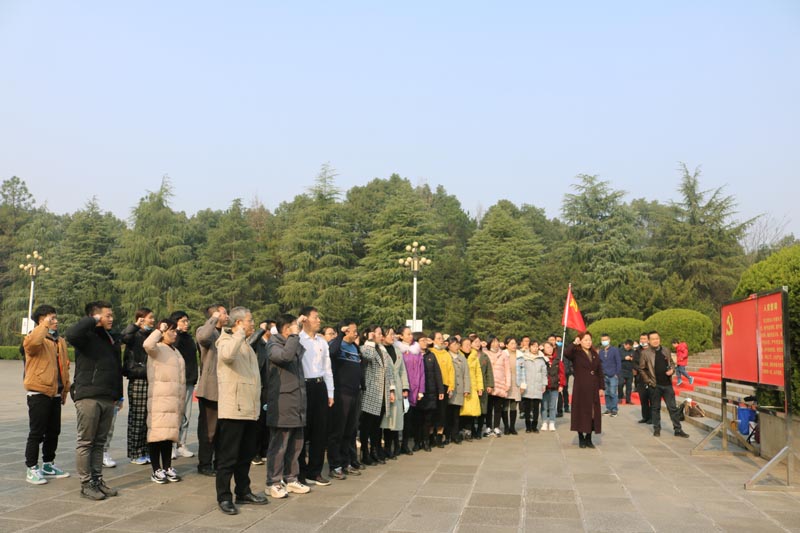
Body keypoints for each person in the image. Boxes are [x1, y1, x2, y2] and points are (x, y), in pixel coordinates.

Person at [65, 300, 123, 500]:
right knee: (86, 442)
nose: (111, 319)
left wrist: (118, 395)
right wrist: (93, 320)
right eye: (107, 315)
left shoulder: (109, 338)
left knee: (100, 443)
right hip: (88, 396)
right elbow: (71, 334)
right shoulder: (85, 336)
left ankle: (97, 480)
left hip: (108, 397)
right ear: (95, 316)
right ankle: (86, 483)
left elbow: (117, 367)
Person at [215, 306, 268, 515]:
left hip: (250, 409)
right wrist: (238, 334)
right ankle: (224, 497)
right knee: (228, 457)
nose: (252, 323)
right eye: (249, 320)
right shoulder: (226, 341)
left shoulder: (244, 344)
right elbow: (227, 356)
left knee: (245, 455)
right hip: (233, 410)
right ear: (238, 323)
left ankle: (243, 491)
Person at [22, 304, 71, 485]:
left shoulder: (59, 341)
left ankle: (48, 464)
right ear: (42, 320)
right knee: (37, 433)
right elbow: (32, 344)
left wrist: (65, 388)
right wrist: (42, 326)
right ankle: (32, 468)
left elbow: (64, 367)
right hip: (38, 391)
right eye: (52, 318)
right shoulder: (34, 338)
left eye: (55, 318)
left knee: (54, 432)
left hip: (55, 393)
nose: (56, 321)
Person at [265, 314, 311, 499]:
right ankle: (273, 482)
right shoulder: (273, 345)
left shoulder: (291, 341)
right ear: (285, 329)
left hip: (297, 401)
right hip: (282, 402)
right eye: (293, 327)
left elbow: (298, 352)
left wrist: (296, 331)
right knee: (280, 444)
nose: (297, 331)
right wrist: (293, 335)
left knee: (296, 443)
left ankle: (291, 478)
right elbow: (285, 357)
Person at [143, 319, 186, 484]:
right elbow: (147, 344)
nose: (174, 334)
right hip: (160, 399)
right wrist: (159, 331)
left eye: (175, 331)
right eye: (171, 331)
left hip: (173, 400)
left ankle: (167, 467)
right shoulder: (157, 348)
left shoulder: (174, 350)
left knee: (168, 436)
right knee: (157, 436)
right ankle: (156, 469)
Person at [297, 306, 334, 486]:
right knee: (303, 431)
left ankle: (315, 471)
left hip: (320, 387)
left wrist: (330, 392)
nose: (319, 320)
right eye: (315, 317)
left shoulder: (322, 342)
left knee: (320, 432)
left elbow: (328, 369)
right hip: (303, 386)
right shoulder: (298, 339)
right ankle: (300, 472)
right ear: (304, 319)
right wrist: (297, 324)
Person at [195, 304, 228, 476]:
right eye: (224, 313)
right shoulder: (206, 330)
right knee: (208, 429)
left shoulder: (226, 333)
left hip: (226, 389)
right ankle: (204, 464)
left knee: (222, 429)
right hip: (210, 389)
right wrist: (214, 318)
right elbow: (202, 338)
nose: (227, 315)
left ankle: (219, 461)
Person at [327, 320, 361, 480]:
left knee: (350, 431)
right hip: (341, 394)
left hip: (354, 394)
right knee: (337, 431)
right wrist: (340, 334)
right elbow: (331, 353)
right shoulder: (337, 344)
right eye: (353, 331)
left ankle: (346, 462)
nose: (356, 334)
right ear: (346, 330)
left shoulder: (354, 347)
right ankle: (335, 465)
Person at [640, 332, 690, 438]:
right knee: (655, 408)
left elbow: (672, 362)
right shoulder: (645, 353)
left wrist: (672, 370)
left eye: (657, 338)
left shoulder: (666, 350)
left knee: (672, 408)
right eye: (653, 339)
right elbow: (642, 369)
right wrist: (648, 381)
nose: (655, 340)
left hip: (667, 384)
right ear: (649, 341)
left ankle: (678, 429)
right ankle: (657, 429)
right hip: (654, 385)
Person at [121, 308, 155, 465]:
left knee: (148, 418)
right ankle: (135, 453)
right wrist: (135, 325)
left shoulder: (151, 334)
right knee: (137, 417)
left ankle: (145, 450)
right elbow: (124, 337)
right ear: (141, 319)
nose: (152, 321)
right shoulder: (134, 334)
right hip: (138, 378)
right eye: (150, 318)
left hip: (150, 378)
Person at [360, 326, 396, 463]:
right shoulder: (365, 347)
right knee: (366, 424)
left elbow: (389, 371)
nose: (381, 336)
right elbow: (367, 356)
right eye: (379, 333)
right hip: (370, 391)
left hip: (382, 392)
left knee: (376, 425)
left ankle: (375, 450)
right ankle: (365, 452)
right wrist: (369, 340)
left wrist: (391, 389)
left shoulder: (383, 350)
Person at [564, 332, 604, 449]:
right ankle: (581, 437)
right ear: (580, 341)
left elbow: (599, 372)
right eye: (585, 340)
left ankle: (589, 438)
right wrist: (574, 343)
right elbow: (566, 354)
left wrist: (601, 387)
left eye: (590, 340)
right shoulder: (576, 353)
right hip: (581, 388)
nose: (588, 342)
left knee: (592, 413)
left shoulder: (594, 354)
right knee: (580, 413)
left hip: (593, 388)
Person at [169, 311, 197, 459]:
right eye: (183, 321)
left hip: (189, 380)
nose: (187, 324)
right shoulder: (173, 338)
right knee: (176, 415)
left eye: (187, 321)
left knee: (186, 415)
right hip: (177, 382)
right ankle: (172, 445)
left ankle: (181, 444)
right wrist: (176, 332)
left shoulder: (190, 338)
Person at [248, 319, 275, 466]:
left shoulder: (274, 344)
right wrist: (260, 330)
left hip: (272, 386)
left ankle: (265, 449)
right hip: (259, 386)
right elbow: (248, 345)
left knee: (268, 420)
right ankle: (255, 452)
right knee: (258, 421)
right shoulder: (258, 343)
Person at [396, 327, 424, 454]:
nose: (410, 336)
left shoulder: (416, 351)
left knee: (409, 419)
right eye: (407, 334)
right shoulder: (398, 349)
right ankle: (395, 444)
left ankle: (405, 444)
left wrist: (420, 390)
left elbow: (421, 371)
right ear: (401, 336)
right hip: (400, 387)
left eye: (411, 334)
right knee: (398, 417)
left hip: (414, 388)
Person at [381, 328, 408, 459]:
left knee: (395, 419)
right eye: (390, 334)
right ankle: (385, 448)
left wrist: (405, 387)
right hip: (385, 387)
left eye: (393, 334)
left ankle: (391, 446)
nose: (393, 336)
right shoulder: (380, 350)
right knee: (385, 420)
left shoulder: (397, 351)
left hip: (397, 386)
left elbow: (402, 371)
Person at [417, 335, 444, 451]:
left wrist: (440, 390)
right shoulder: (414, 355)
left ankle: (426, 441)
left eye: (425, 340)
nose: (425, 342)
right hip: (418, 392)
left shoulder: (431, 355)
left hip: (430, 391)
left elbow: (437, 373)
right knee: (418, 418)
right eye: (422, 340)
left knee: (428, 419)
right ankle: (418, 442)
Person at [430, 332, 454, 447]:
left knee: (442, 413)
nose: (441, 341)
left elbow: (451, 371)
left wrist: (451, 386)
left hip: (444, 386)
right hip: (432, 387)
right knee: (432, 412)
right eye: (438, 338)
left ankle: (440, 435)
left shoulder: (446, 354)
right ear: (433, 340)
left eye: (441, 339)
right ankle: (430, 436)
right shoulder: (431, 353)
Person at [484, 336, 509, 437]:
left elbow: (507, 370)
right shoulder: (485, 354)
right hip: (489, 384)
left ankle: (497, 427)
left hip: (500, 384)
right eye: (493, 342)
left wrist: (508, 384)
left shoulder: (503, 354)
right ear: (489, 343)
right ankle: (489, 426)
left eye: (497, 341)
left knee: (498, 407)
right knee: (488, 407)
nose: (495, 344)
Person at [446, 338, 470, 444]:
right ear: (449, 345)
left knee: (456, 415)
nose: (456, 346)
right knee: (447, 414)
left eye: (457, 344)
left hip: (459, 389)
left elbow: (466, 374)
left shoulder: (462, 357)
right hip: (448, 389)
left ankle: (454, 435)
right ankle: (446, 435)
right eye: (454, 344)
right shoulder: (446, 356)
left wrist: (466, 389)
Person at [459, 338, 484, 440]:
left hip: (472, 387)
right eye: (466, 345)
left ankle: (469, 431)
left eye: (470, 345)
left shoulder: (474, 357)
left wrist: (480, 387)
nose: (468, 347)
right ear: (460, 346)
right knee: (461, 411)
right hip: (461, 387)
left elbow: (478, 373)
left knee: (471, 411)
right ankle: (460, 431)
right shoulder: (458, 356)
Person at [521, 341, 546, 433]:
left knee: (536, 407)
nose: (535, 348)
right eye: (533, 346)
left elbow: (544, 373)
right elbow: (521, 372)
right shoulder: (524, 358)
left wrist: (544, 384)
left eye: (536, 346)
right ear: (529, 347)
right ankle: (528, 426)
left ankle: (534, 426)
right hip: (527, 386)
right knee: (527, 407)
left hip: (537, 385)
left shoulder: (541, 359)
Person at [473, 336, 494, 438]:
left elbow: (489, 372)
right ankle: (471, 430)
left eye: (479, 342)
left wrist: (490, 385)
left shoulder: (484, 356)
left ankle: (479, 430)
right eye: (475, 342)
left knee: (482, 408)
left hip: (483, 385)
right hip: (472, 385)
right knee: (472, 408)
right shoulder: (468, 356)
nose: (478, 344)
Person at [541, 342, 565, 431]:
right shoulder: (542, 359)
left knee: (552, 406)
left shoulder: (558, 360)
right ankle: (544, 422)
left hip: (555, 386)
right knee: (544, 406)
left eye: (550, 347)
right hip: (544, 387)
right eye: (547, 347)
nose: (549, 349)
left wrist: (561, 385)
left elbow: (562, 374)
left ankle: (552, 422)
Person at [598, 333, 621, 417]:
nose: (604, 341)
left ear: (609, 340)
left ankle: (614, 409)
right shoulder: (601, 351)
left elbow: (618, 362)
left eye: (605, 340)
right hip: (604, 375)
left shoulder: (614, 350)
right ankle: (608, 408)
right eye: (603, 340)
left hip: (613, 375)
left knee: (613, 392)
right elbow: (599, 363)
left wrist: (617, 373)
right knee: (607, 393)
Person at [503, 337, 522, 435]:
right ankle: (506, 427)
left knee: (514, 405)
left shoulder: (520, 355)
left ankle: (512, 427)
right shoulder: (503, 354)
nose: (514, 345)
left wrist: (523, 384)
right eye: (511, 343)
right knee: (505, 405)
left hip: (516, 381)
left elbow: (523, 371)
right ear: (506, 345)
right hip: (506, 381)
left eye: (515, 343)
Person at [632, 333, 652, 424]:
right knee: (643, 399)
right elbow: (634, 363)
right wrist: (641, 370)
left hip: (652, 377)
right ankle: (645, 417)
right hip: (640, 378)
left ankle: (652, 418)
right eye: (641, 339)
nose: (642, 340)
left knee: (652, 399)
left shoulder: (653, 350)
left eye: (644, 339)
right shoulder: (637, 351)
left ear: (648, 340)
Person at [619, 340, 635, 404]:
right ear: (625, 344)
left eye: (630, 346)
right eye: (627, 345)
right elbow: (617, 359)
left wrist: (632, 359)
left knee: (629, 386)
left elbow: (636, 359)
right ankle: (620, 397)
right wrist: (624, 358)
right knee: (620, 384)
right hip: (621, 370)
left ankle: (628, 400)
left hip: (630, 371)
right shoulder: (620, 350)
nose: (628, 347)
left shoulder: (633, 351)